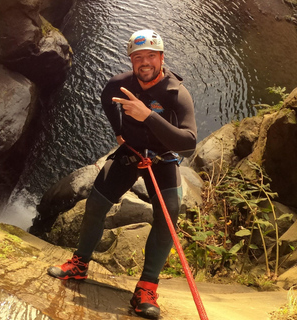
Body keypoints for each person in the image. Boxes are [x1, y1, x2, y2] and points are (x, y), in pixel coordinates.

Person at [47, 29, 197, 319]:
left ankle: (146, 288)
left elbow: (189, 143)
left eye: (151, 56)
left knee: (168, 218)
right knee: (95, 206)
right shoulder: (120, 83)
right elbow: (107, 99)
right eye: (138, 57)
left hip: (162, 161)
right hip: (130, 154)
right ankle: (79, 265)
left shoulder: (176, 94)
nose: (145, 62)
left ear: (161, 58)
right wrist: (118, 131)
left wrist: (148, 116)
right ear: (131, 60)